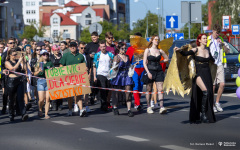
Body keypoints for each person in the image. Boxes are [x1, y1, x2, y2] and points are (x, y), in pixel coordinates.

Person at [174, 33, 216, 123]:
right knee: (205, 91)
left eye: (206, 38)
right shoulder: (196, 49)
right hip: (198, 73)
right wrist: (179, 50)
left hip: (207, 72)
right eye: (203, 38)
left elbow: (213, 60)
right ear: (199, 40)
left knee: (209, 93)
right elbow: (185, 53)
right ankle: (203, 115)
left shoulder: (208, 50)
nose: (205, 40)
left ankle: (205, 113)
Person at [142, 35, 168, 114]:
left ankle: (161, 107)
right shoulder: (148, 50)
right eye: (156, 39)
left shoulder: (160, 51)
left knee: (160, 89)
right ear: (152, 40)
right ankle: (149, 106)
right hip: (150, 70)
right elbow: (144, 63)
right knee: (149, 89)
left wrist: (161, 62)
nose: (157, 41)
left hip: (159, 71)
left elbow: (166, 58)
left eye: (158, 39)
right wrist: (148, 72)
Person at [59, 42, 87, 117]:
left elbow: (84, 66)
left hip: (78, 78)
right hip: (68, 78)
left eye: (74, 46)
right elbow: (61, 65)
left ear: (76, 47)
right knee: (70, 96)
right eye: (71, 46)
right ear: (69, 47)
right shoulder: (66, 55)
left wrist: (85, 69)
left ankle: (81, 110)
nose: (72, 47)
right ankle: (70, 110)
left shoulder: (80, 56)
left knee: (78, 94)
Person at [207, 24, 230, 113]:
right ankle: (212, 105)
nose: (217, 35)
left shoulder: (221, 39)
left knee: (222, 84)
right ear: (213, 31)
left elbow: (227, 51)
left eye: (218, 33)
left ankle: (217, 102)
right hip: (211, 65)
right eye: (216, 33)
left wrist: (222, 44)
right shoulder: (208, 40)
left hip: (220, 64)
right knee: (212, 86)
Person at [109, 42, 135, 117]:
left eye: (125, 48)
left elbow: (129, 65)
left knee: (128, 92)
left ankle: (129, 110)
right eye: (122, 48)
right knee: (116, 93)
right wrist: (116, 64)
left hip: (126, 76)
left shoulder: (127, 56)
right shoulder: (116, 57)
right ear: (119, 49)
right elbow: (114, 69)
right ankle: (115, 107)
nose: (124, 50)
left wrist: (132, 67)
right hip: (118, 76)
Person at [5, 48, 29, 121]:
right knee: (11, 99)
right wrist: (19, 61)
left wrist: (24, 61)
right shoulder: (7, 62)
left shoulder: (18, 61)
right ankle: (11, 114)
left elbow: (24, 69)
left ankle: (23, 113)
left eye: (16, 54)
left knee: (20, 98)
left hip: (19, 80)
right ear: (10, 55)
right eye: (14, 55)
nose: (15, 56)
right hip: (11, 82)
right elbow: (12, 69)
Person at [93, 40, 114, 111]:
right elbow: (94, 66)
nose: (103, 48)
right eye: (101, 47)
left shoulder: (110, 55)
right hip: (100, 73)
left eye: (104, 46)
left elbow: (113, 65)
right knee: (103, 89)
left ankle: (105, 103)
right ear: (100, 47)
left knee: (107, 90)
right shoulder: (97, 55)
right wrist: (94, 76)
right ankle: (104, 104)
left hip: (108, 74)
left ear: (106, 46)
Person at [126, 32, 145, 111]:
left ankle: (137, 102)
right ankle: (137, 103)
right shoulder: (131, 48)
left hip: (143, 69)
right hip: (135, 69)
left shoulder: (144, 48)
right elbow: (127, 60)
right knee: (136, 85)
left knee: (140, 86)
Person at [34, 50, 53, 119]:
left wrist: (52, 70)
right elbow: (34, 74)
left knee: (47, 99)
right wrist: (39, 71)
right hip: (41, 81)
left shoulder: (50, 63)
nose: (46, 55)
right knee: (41, 99)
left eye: (47, 54)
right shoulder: (38, 63)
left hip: (48, 81)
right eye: (44, 54)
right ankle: (40, 109)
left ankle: (46, 113)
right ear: (41, 55)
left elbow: (54, 72)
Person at [74, 41, 91, 113]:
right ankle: (75, 104)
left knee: (86, 91)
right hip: (77, 75)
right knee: (77, 92)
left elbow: (89, 65)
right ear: (78, 48)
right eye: (81, 48)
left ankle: (86, 105)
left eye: (84, 48)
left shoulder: (87, 55)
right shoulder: (76, 55)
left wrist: (89, 74)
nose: (83, 49)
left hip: (86, 75)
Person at [85, 32, 100, 105]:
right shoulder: (89, 45)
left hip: (99, 66)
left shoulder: (100, 45)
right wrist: (89, 55)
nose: (93, 39)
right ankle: (92, 96)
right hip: (91, 66)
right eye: (92, 37)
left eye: (95, 37)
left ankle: (97, 96)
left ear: (98, 37)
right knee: (92, 82)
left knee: (98, 81)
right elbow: (85, 54)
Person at [49, 44, 62, 111]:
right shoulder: (50, 57)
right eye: (55, 50)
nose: (57, 51)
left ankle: (60, 104)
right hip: (53, 75)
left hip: (61, 75)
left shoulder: (62, 56)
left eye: (57, 50)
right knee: (54, 90)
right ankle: (54, 104)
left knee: (60, 90)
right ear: (53, 51)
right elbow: (49, 65)